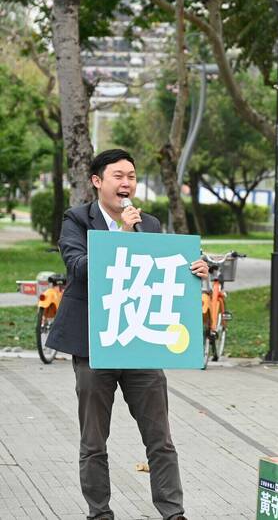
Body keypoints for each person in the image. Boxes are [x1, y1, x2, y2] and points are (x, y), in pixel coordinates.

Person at [46, 149, 209, 520]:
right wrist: (121, 234)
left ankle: (173, 511)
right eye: (118, 176)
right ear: (97, 181)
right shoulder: (76, 221)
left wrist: (193, 269)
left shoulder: (147, 224)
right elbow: (80, 267)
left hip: (141, 345)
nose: (126, 184)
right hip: (94, 345)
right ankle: (99, 512)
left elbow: (163, 270)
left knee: (160, 439)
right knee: (93, 440)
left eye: (131, 176)